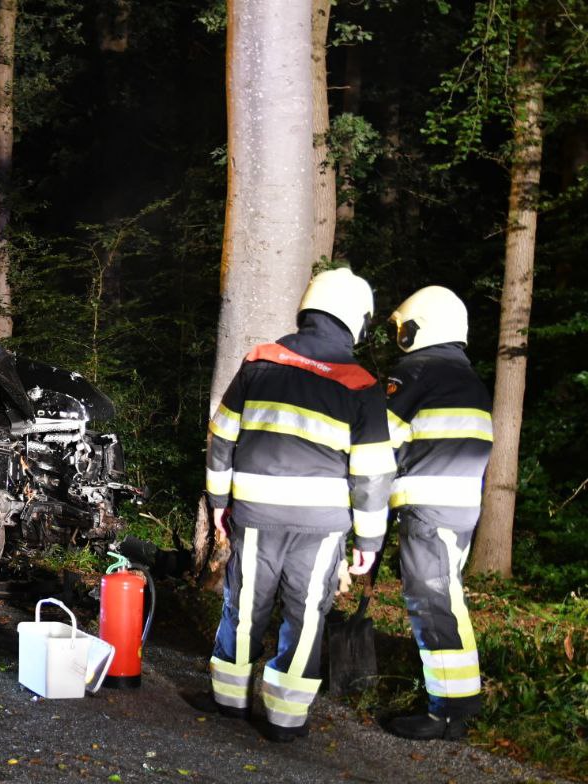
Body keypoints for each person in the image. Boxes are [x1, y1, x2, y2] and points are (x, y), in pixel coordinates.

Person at [203, 267, 395, 742]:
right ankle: (285, 719)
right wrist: (369, 540)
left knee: (245, 604)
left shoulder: (261, 359)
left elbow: (222, 435)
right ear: (357, 320)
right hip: (322, 524)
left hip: (255, 512)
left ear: (308, 306)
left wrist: (217, 502)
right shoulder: (361, 383)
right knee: (307, 613)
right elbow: (372, 470)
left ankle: (230, 699)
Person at [382, 286, 492, 740]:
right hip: (461, 510)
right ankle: (459, 705)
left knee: (433, 603)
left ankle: (446, 710)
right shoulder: (468, 379)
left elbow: (377, 439)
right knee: (448, 599)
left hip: (428, 511)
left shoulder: (417, 371)